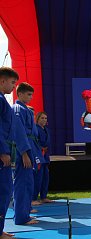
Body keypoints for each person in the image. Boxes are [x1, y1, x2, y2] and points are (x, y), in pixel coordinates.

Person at [0, 67, 30, 239]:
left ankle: (0, 230)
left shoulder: (3, 100)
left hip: (5, 149)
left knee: (5, 192)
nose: (13, 87)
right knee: (3, 192)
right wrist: (3, 151)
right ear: (2, 80)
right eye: (12, 82)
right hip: (2, 152)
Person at [12, 82, 44, 225]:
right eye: (28, 94)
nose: (30, 97)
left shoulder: (26, 109)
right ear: (19, 94)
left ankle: (26, 210)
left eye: (31, 94)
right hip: (23, 149)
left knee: (28, 182)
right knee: (23, 183)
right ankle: (21, 217)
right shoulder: (18, 109)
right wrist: (24, 153)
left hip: (30, 146)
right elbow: (19, 133)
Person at [34, 112, 54, 204]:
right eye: (42, 118)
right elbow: (34, 142)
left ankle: (43, 197)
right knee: (38, 177)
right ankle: (33, 198)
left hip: (45, 156)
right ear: (37, 119)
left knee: (45, 177)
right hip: (38, 155)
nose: (44, 120)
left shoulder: (47, 130)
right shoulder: (35, 129)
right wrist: (41, 148)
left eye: (45, 118)